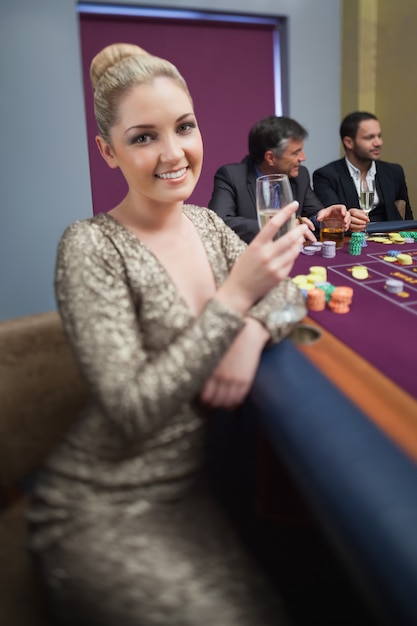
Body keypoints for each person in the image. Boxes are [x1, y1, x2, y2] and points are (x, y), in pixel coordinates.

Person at [27, 43, 315, 626]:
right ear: (108, 152)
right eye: (142, 137)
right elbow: (132, 409)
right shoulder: (89, 245)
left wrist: (250, 334)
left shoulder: (209, 225)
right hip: (99, 504)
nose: (173, 153)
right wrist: (234, 300)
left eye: (184, 127)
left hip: (193, 486)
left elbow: (290, 293)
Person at [208, 115, 350, 244]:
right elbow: (218, 222)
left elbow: (312, 214)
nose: (303, 158)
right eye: (295, 153)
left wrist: (323, 219)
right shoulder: (231, 176)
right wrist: (279, 227)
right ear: (270, 157)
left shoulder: (300, 175)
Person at [313, 111, 413, 232]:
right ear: (349, 142)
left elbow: (407, 217)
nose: (378, 143)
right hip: (350, 242)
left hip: (391, 239)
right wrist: (347, 222)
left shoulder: (394, 172)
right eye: (370, 137)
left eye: (379, 136)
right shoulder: (325, 175)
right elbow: (332, 217)